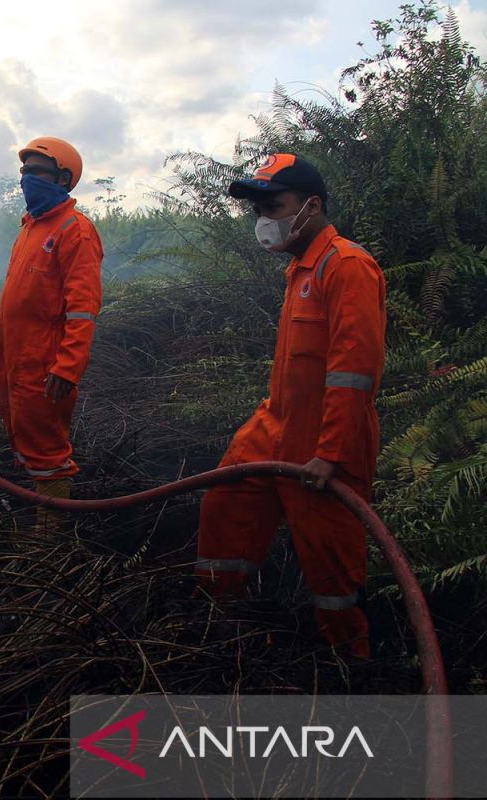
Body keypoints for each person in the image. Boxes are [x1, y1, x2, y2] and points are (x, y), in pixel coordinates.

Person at [196, 153, 386, 660]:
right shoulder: (300, 268)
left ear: (312, 205)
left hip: (322, 444)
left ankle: (353, 663)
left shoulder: (346, 266)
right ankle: (222, 625)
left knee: (333, 569)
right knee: (226, 500)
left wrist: (332, 452)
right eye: (258, 208)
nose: (264, 220)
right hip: (274, 425)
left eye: (273, 205)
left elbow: (354, 373)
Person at [0, 137, 103, 529]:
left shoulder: (76, 230)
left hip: (45, 366)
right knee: (27, 443)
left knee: (47, 452)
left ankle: (49, 543)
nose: (26, 179)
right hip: (16, 361)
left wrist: (68, 367)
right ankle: (42, 523)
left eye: (35, 172)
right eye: (24, 171)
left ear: (62, 177)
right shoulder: (30, 228)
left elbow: (83, 310)